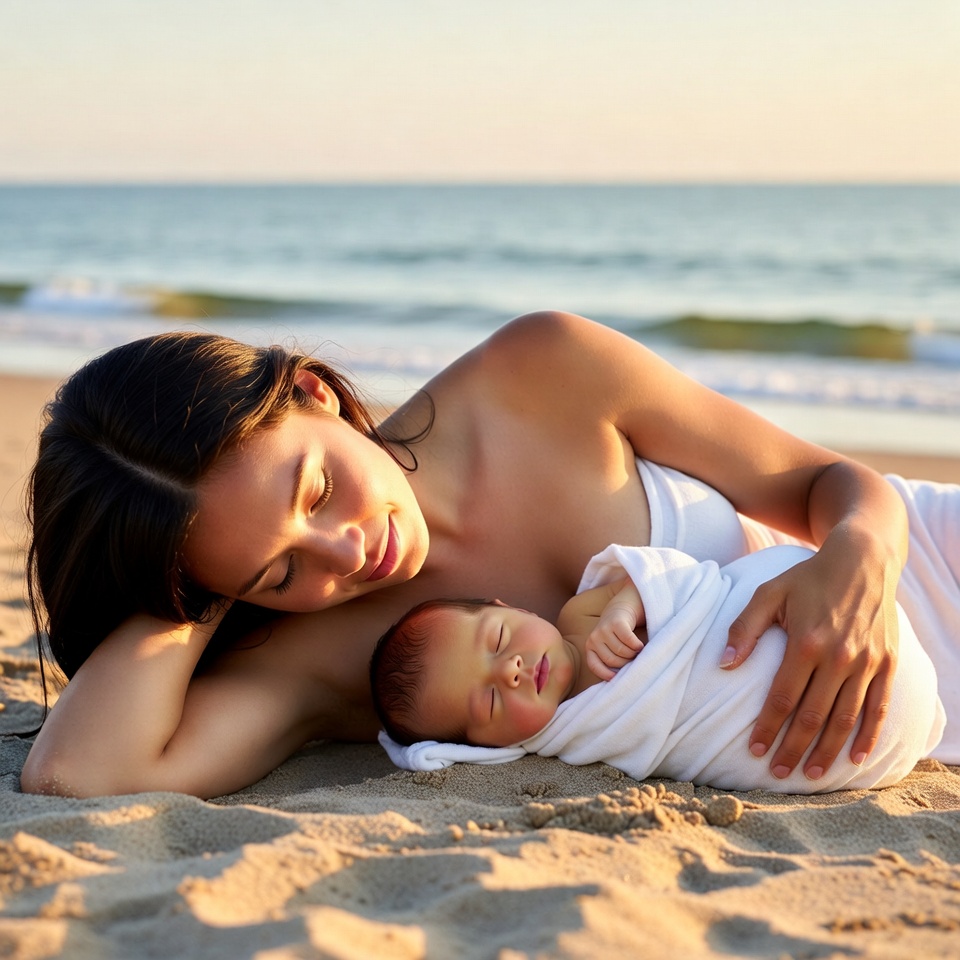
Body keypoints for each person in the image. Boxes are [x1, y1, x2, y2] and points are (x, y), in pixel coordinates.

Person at [18, 313, 960, 800]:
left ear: (312, 391)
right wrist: (188, 584)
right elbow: (76, 777)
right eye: (276, 573)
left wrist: (862, 556)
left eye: (314, 490)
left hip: (920, 563)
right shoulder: (316, 663)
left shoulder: (538, 372)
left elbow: (830, 481)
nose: (348, 550)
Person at [370, 544, 947, 793]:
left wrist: (626, 608)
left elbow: (666, 577)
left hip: (774, 620)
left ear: (508, 608)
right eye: (490, 702)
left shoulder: (582, 611)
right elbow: (424, 754)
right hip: (861, 752)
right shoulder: (566, 739)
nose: (513, 671)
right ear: (484, 747)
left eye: (499, 641)